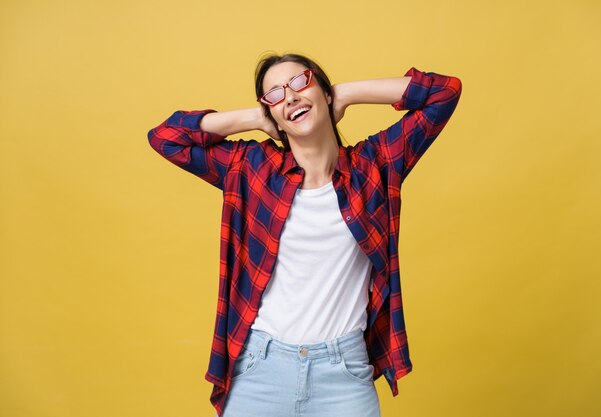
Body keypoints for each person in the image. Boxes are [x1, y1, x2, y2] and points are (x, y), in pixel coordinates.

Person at [147, 53, 462, 417]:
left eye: (300, 82)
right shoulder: (252, 168)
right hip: (260, 370)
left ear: (323, 91)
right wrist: (258, 118)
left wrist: (345, 93)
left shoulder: (375, 166)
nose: (291, 97)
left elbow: (444, 92)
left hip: (344, 374)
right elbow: (167, 138)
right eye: (275, 94)